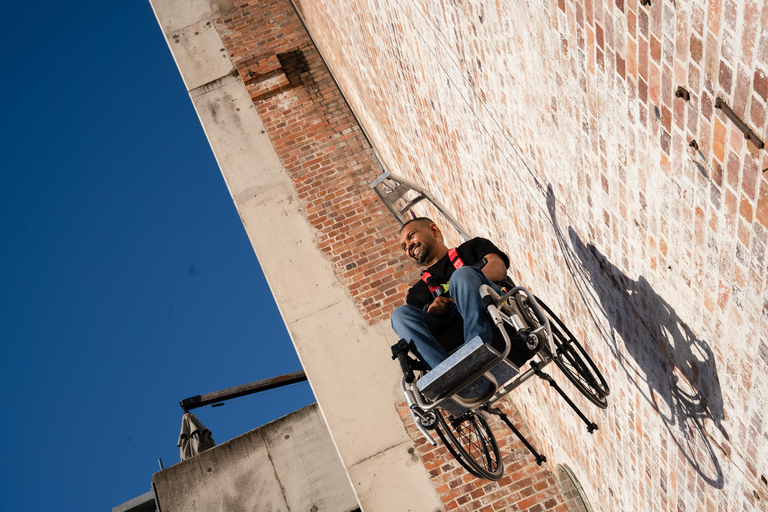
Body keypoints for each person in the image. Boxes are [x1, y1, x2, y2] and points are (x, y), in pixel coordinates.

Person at [391, 217, 510, 370]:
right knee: (399, 315)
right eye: (404, 247)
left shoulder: (473, 247)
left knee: (462, 275)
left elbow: (499, 268)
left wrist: (462, 287)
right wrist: (430, 311)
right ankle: (445, 373)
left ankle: (476, 350)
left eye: (411, 236)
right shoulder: (416, 294)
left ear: (434, 230)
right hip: (447, 327)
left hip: (491, 307)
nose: (408, 246)